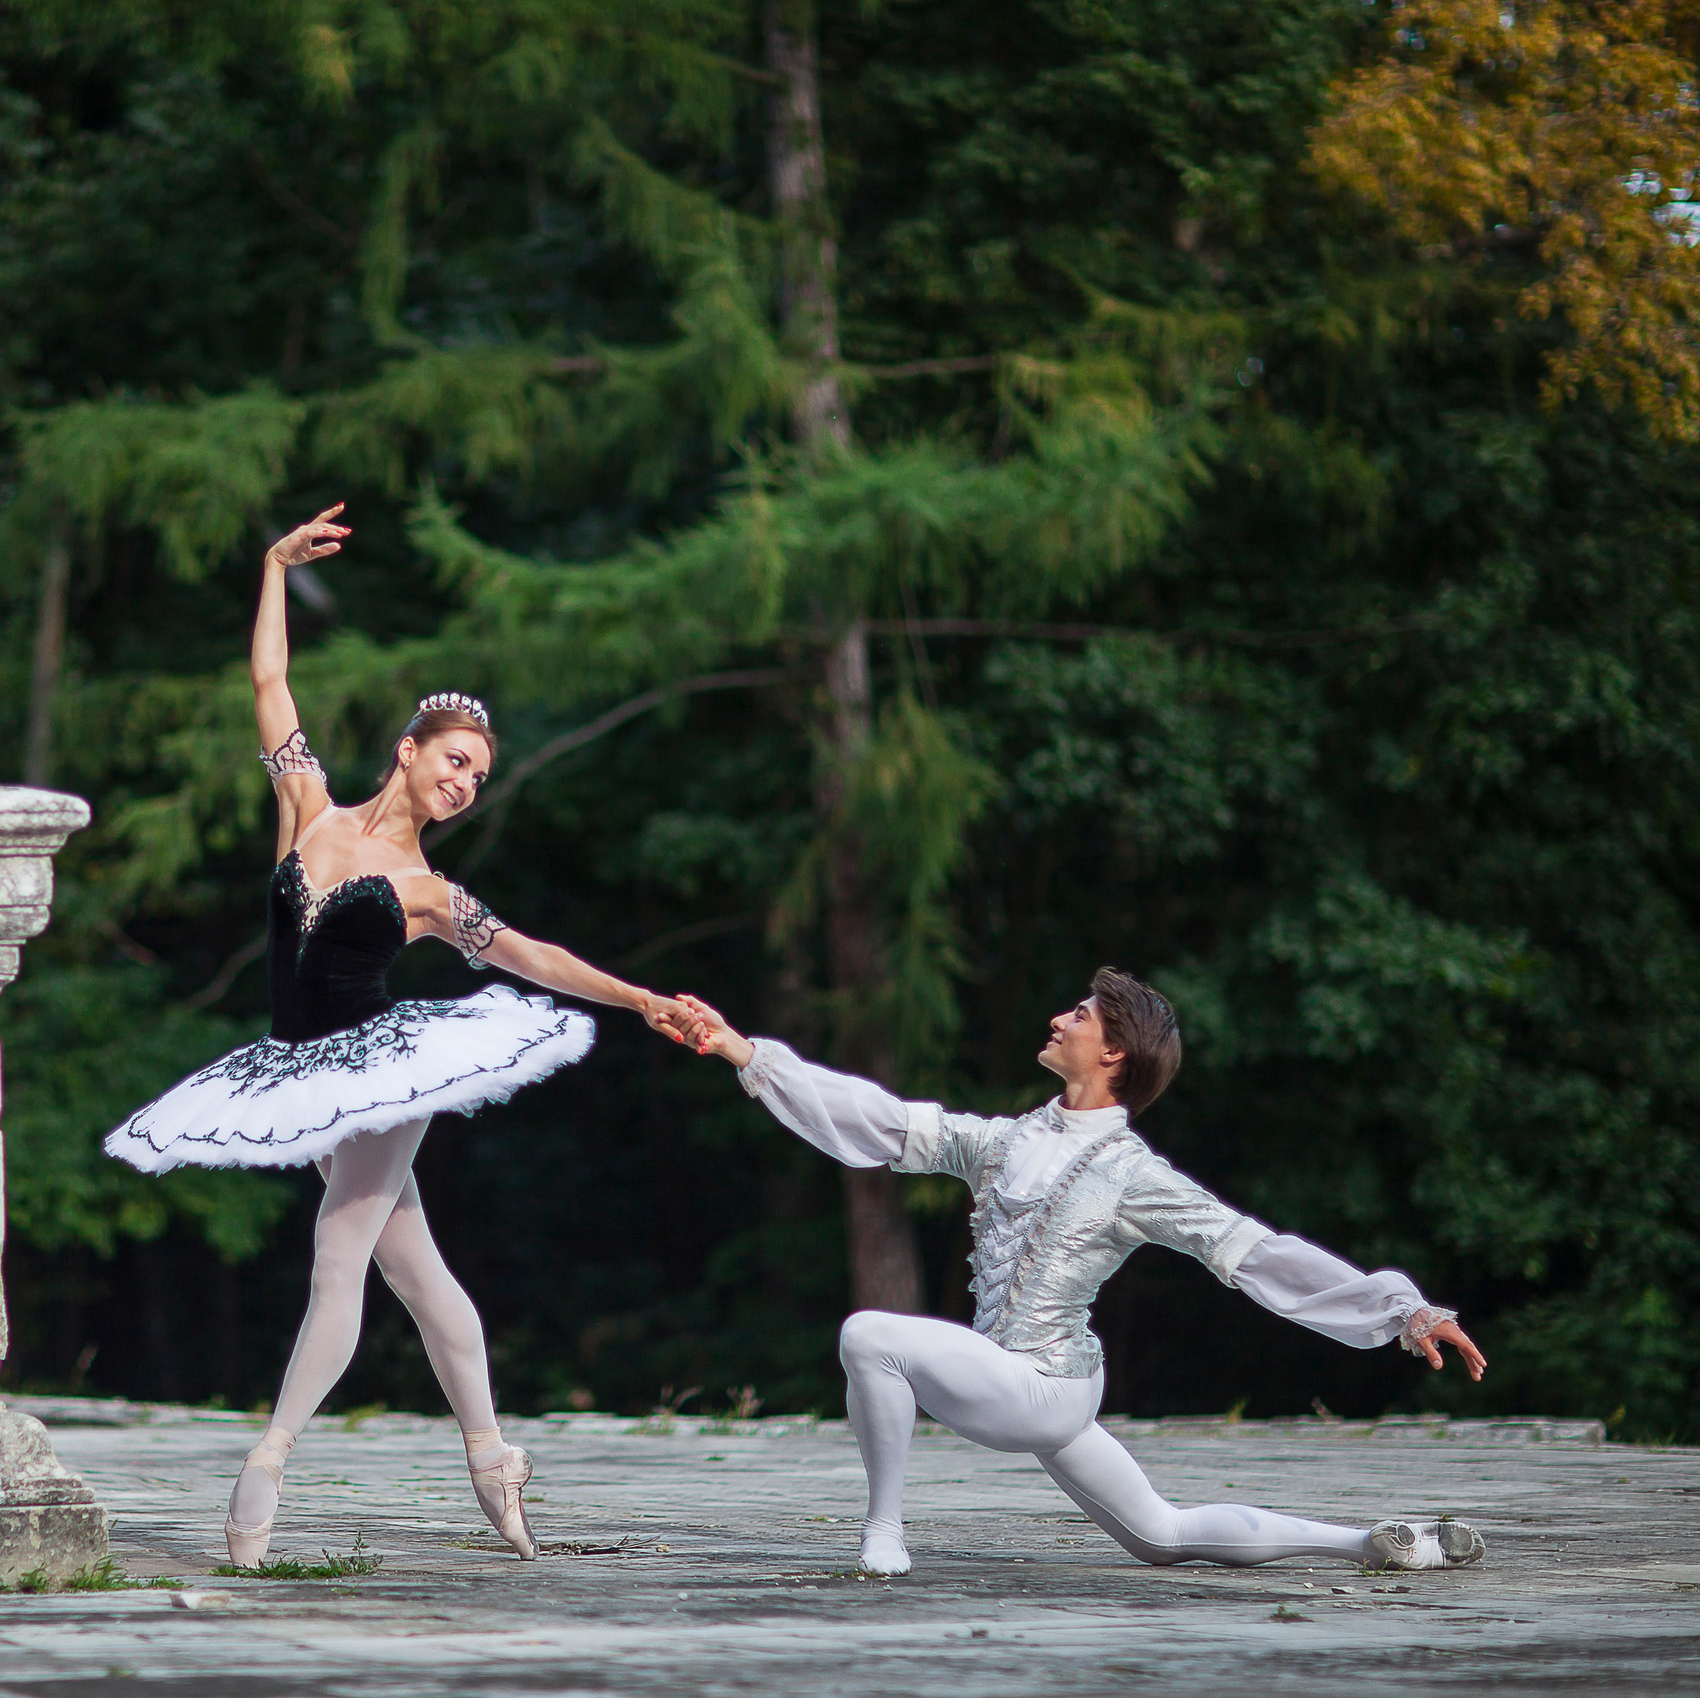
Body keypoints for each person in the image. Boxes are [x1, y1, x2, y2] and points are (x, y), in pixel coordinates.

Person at [106, 504, 687, 1567]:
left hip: (382, 1072)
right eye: (454, 760)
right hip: (298, 1073)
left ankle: (266, 1467)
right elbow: (270, 687)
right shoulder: (307, 810)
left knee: (339, 1264)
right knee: (418, 1278)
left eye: (476, 776)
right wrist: (275, 566)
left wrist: (641, 999)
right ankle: (492, 1457)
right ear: (407, 751)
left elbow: (534, 956)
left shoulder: (426, 890)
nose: (463, 783)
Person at [663, 968, 1491, 1576]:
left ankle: (884, 1533)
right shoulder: (1002, 1141)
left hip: (1046, 1387)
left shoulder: (1134, 1174)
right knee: (1161, 1537)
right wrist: (745, 1053)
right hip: (1015, 1385)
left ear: (1116, 1053)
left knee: (869, 1334)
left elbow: (1256, 1252)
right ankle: (1380, 1542)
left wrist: (1403, 1311)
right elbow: (875, 1123)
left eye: (1081, 1015)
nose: (1060, 1019)